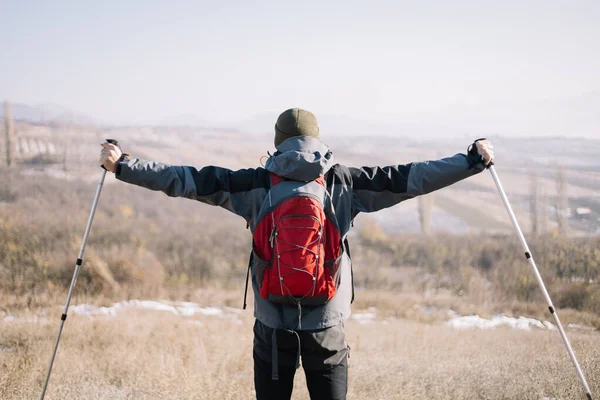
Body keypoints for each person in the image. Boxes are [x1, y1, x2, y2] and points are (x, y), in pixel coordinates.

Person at [100, 108, 494, 400]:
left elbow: (182, 179)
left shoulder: (253, 183)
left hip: (272, 323)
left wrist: (125, 166)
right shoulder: (345, 182)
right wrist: (471, 161)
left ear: (278, 142)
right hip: (327, 322)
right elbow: (415, 177)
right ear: (317, 140)